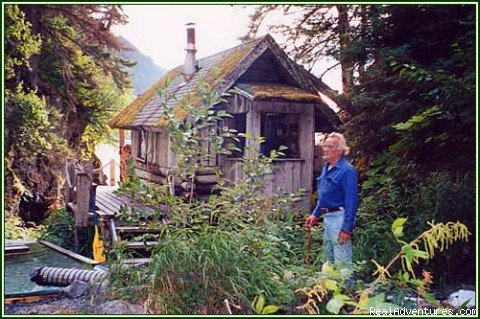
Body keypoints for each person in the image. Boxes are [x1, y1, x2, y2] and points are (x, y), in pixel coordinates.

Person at [306, 132, 359, 287]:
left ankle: (349, 302)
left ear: (340, 150)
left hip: (340, 219)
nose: (326, 149)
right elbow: (324, 196)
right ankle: (326, 296)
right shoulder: (327, 167)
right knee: (327, 260)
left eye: (330, 147)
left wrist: (346, 229)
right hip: (328, 219)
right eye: (325, 146)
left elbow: (351, 201)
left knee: (343, 263)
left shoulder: (347, 171)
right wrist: (315, 214)